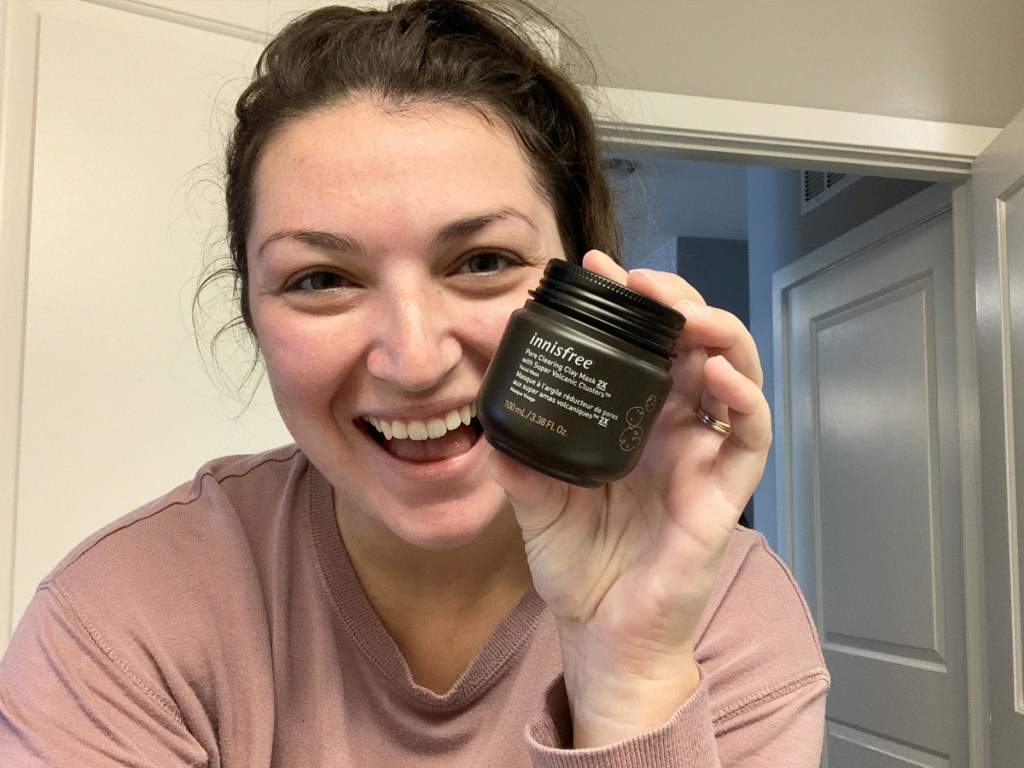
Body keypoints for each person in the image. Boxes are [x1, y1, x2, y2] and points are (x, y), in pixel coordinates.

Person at [0, 1, 828, 765]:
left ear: (583, 291)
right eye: (321, 279)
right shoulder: (118, 621)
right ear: (252, 314)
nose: (415, 359)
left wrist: (629, 672)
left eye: (483, 262)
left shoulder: (727, 615)